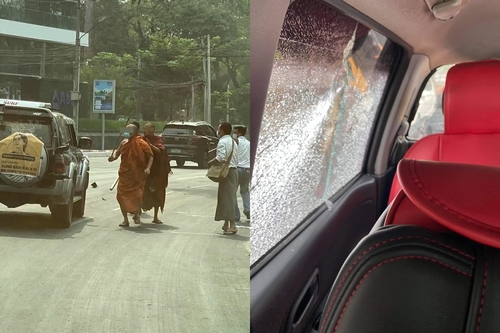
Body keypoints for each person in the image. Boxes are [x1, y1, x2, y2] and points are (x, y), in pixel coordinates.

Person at [108, 123, 153, 227]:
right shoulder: (123, 143)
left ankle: (137, 214)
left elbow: (151, 156)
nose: (125, 132)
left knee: (137, 197)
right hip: (124, 175)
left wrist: (148, 168)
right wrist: (112, 158)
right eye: (125, 130)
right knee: (120, 197)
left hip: (137, 176)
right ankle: (125, 220)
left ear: (135, 132)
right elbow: (117, 154)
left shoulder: (141, 143)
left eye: (128, 130)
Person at [209, 122, 239, 235]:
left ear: (221, 130)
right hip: (233, 171)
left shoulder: (222, 141)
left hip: (227, 173)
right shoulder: (232, 141)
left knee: (229, 199)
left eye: (218, 128)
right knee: (227, 198)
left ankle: (233, 226)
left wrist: (211, 162)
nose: (217, 131)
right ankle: (226, 224)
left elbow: (221, 157)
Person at [142, 123, 172, 224]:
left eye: (148, 131)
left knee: (156, 193)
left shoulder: (157, 139)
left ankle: (155, 217)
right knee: (140, 192)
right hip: (143, 170)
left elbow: (159, 151)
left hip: (156, 171)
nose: (146, 132)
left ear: (152, 131)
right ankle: (137, 213)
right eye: (145, 130)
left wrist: (149, 145)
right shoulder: (141, 139)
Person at [233, 126, 250, 221]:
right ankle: (248, 209)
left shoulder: (235, 142)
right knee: (245, 191)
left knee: (232, 192)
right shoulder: (249, 143)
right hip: (247, 170)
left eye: (235, 132)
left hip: (237, 169)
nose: (234, 133)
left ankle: (236, 215)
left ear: (239, 133)